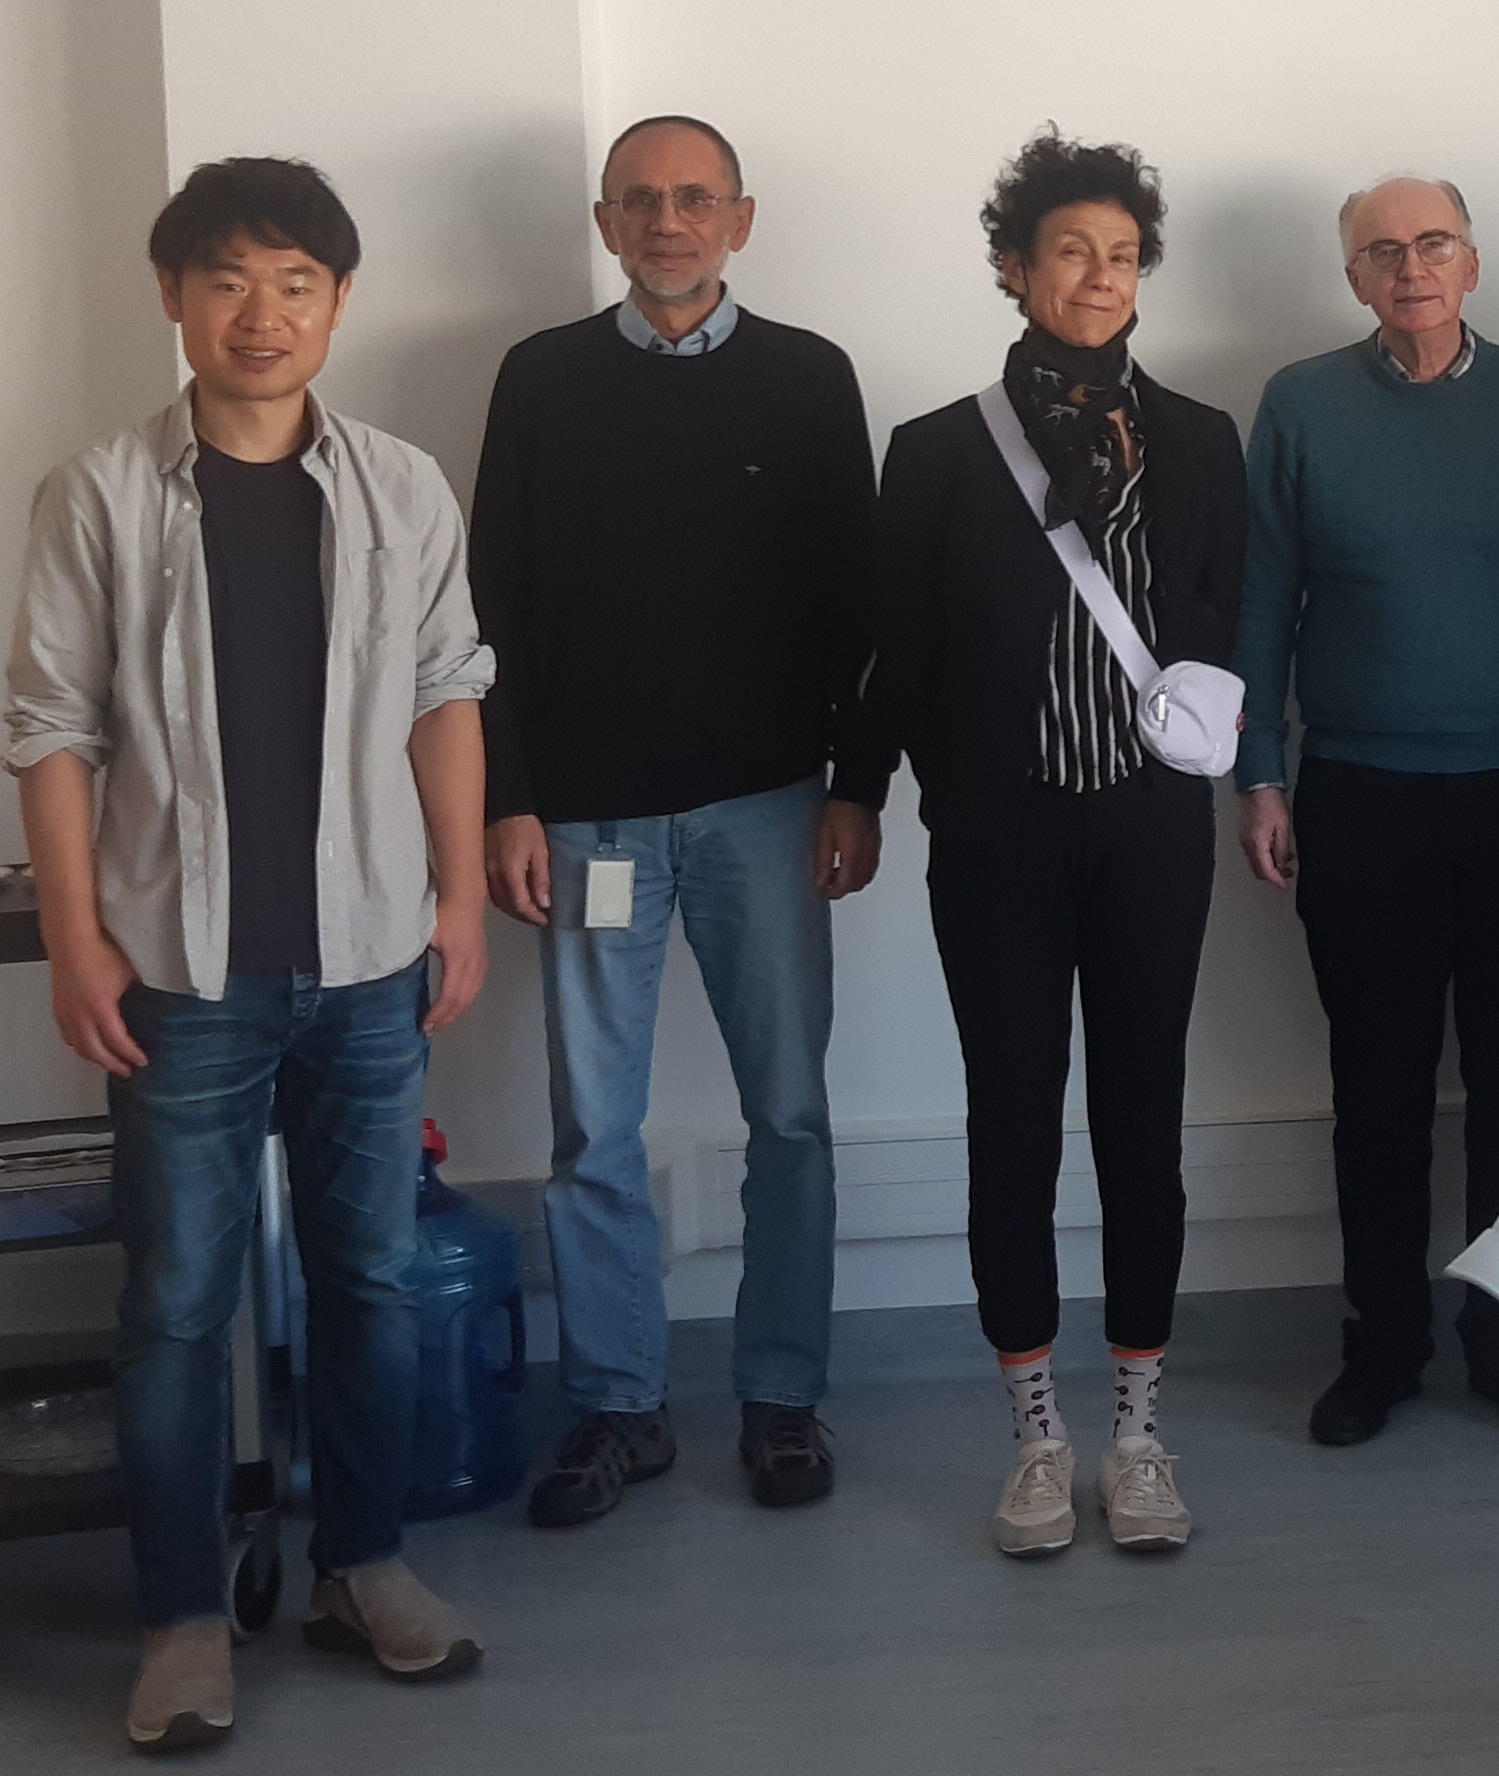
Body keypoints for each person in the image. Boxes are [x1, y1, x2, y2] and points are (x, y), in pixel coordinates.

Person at [12, 156, 492, 1752]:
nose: (262, 312)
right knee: (173, 1304)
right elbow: (54, 728)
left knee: (366, 1280)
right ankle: (174, 1616)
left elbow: (446, 693)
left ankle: (363, 1563)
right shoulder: (95, 496)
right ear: (172, 295)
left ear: (339, 301)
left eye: (295, 281)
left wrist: (458, 900)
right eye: (227, 278)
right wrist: (78, 937)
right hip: (181, 973)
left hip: (365, 960)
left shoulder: (403, 488)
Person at [471, 114, 877, 1529]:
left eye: (694, 199)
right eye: (641, 200)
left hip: (768, 810)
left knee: (791, 1118)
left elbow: (858, 608)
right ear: (605, 222)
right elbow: (491, 612)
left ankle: (781, 1396)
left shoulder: (810, 379)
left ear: (740, 220)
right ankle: (617, 1407)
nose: (668, 221)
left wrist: (858, 784)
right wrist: (508, 795)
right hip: (588, 827)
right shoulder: (540, 380)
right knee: (595, 1132)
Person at [859, 131, 1240, 1556]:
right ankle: (1034, 1432)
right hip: (1001, 838)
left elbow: (1223, 615)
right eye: (1069, 250)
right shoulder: (942, 451)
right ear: (1015, 268)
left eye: (1122, 253)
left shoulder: (1201, 437)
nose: (1098, 274)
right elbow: (895, 649)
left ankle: (1139, 1428)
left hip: (1152, 835)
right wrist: (858, 790)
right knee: (1010, 1129)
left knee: (1144, 1124)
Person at [1238, 175, 1499, 1450]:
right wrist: (1257, 769)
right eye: (1381, 251)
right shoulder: (1302, 404)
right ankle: (1383, 1346)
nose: (1409, 268)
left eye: (1432, 245)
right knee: (1376, 1090)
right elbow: (1264, 600)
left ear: (1472, 262)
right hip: (1360, 793)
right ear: (1353, 277)